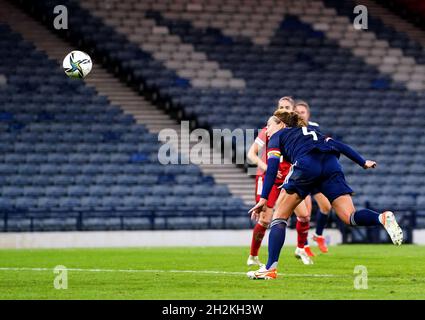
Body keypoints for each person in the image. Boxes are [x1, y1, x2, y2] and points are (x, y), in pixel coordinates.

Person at [247, 111, 403, 280]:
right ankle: (382, 217)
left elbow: (271, 169)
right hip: (330, 165)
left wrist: (263, 198)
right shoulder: (314, 133)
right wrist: (362, 162)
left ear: (282, 125)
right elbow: (338, 145)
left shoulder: (278, 135)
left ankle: (270, 268)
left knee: (279, 217)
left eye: (269, 125)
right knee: (349, 216)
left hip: (306, 165)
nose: (267, 129)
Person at [247, 97, 313, 266]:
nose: (284, 109)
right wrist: (268, 167)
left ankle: (300, 248)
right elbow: (251, 154)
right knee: (265, 220)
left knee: (304, 216)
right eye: (281, 107)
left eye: (287, 107)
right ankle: (253, 256)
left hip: (288, 179)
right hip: (269, 178)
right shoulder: (269, 129)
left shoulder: (297, 132)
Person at [294, 100, 332, 254]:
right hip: (301, 174)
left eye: (302, 112)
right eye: (297, 112)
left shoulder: (315, 127)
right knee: (306, 213)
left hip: (315, 173)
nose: (300, 114)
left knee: (326, 206)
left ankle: (318, 235)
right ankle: (304, 246)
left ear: (308, 114)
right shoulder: (292, 129)